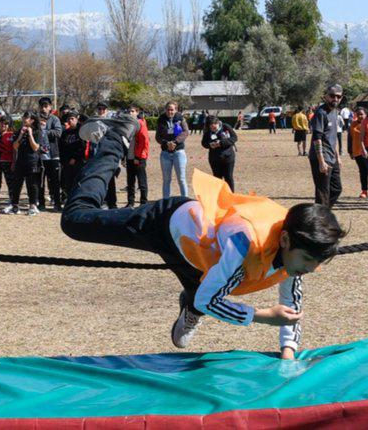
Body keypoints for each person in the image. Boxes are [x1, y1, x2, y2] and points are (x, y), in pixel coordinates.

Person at [63, 114, 347, 357]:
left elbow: (291, 305)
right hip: (164, 226)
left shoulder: (301, 249)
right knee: (75, 221)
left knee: (206, 288)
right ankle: (116, 136)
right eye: (309, 260)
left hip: (203, 261)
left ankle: (191, 305)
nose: (311, 269)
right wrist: (261, 316)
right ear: (285, 240)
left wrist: (288, 353)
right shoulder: (244, 241)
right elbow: (209, 300)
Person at [308, 84, 343, 208]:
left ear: (341, 98)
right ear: (326, 97)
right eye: (332, 96)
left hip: (332, 156)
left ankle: (323, 213)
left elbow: (333, 136)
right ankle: (321, 219)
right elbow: (317, 139)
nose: (335, 99)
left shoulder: (335, 112)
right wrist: (321, 161)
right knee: (323, 192)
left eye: (338, 96)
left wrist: (337, 157)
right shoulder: (320, 113)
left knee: (336, 189)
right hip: (321, 157)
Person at [4, 111, 42, 216]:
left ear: (32, 120)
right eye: (24, 117)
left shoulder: (37, 131)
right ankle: (15, 206)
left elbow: (35, 147)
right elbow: (15, 146)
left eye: (27, 118)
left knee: (32, 185)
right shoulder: (18, 131)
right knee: (17, 184)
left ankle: (33, 206)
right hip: (20, 161)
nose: (24, 119)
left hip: (32, 162)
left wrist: (30, 134)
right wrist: (21, 134)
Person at [156, 101, 190, 198]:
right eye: (168, 109)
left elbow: (186, 132)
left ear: (176, 110)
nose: (170, 111)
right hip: (165, 154)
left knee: (181, 179)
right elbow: (158, 136)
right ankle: (166, 201)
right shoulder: (161, 119)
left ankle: (185, 200)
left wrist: (175, 142)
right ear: (165, 110)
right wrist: (166, 143)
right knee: (166, 180)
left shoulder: (180, 119)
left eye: (172, 109)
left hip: (178, 152)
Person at [37, 97, 64, 211]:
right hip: (40, 155)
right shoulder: (36, 119)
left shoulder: (54, 119)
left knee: (55, 181)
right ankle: (41, 204)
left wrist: (44, 131)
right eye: (42, 106)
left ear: (50, 107)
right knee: (40, 181)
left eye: (46, 106)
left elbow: (58, 132)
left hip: (53, 154)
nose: (43, 108)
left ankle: (57, 204)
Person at [201, 115, 238, 191]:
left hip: (228, 157)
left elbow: (234, 138)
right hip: (214, 159)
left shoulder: (226, 127)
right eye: (211, 127)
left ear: (218, 123)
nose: (213, 129)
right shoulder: (208, 131)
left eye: (214, 127)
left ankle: (231, 196)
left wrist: (221, 143)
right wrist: (210, 145)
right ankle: (219, 197)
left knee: (228, 177)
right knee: (217, 179)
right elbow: (204, 143)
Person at [59, 111, 88, 203]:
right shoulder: (65, 133)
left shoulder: (81, 131)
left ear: (77, 119)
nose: (70, 121)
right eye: (69, 119)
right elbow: (61, 147)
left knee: (79, 182)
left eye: (72, 119)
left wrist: (75, 158)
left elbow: (83, 147)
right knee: (68, 182)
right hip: (67, 162)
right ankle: (70, 200)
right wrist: (64, 160)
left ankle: (80, 201)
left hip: (79, 162)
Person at [125, 105, 150, 208]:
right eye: (129, 111)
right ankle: (130, 202)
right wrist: (124, 157)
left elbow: (144, 142)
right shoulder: (127, 124)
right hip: (129, 157)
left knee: (141, 181)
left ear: (137, 112)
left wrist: (138, 157)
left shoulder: (140, 124)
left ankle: (143, 202)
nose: (130, 113)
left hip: (139, 158)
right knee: (130, 182)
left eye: (132, 111)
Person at [348, 107, 368, 199]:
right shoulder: (352, 125)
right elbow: (350, 139)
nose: (360, 116)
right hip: (357, 151)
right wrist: (350, 151)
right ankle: (364, 191)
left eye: (361, 114)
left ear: (366, 114)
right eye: (358, 114)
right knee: (363, 171)